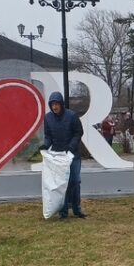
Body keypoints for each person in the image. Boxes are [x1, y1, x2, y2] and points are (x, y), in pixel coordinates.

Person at [42, 91, 86, 219]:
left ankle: (77, 209)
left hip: (73, 155)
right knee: (62, 184)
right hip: (58, 157)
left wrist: (71, 146)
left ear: (61, 104)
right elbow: (48, 135)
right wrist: (45, 145)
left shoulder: (72, 116)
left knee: (75, 181)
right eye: (52, 104)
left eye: (57, 104)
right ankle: (63, 211)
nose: (54, 107)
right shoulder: (48, 118)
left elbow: (78, 132)